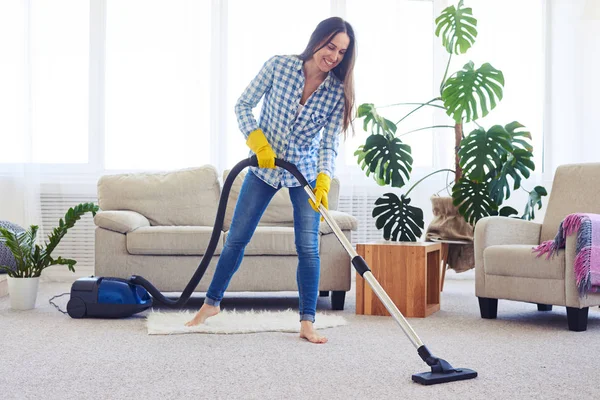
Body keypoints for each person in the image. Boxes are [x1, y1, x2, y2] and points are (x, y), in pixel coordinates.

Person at [186, 17, 356, 344]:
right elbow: (243, 105)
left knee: (308, 248)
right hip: (263, 167)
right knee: (236, 238)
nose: (334, 56)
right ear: (317, 40)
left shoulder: (336, 92)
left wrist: (322, 180)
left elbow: (329, 142)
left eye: (342, 52)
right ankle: (211, 304)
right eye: (331, 46)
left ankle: (307, 322)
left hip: (303, 174)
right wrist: (257, 142)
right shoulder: (279, 66)